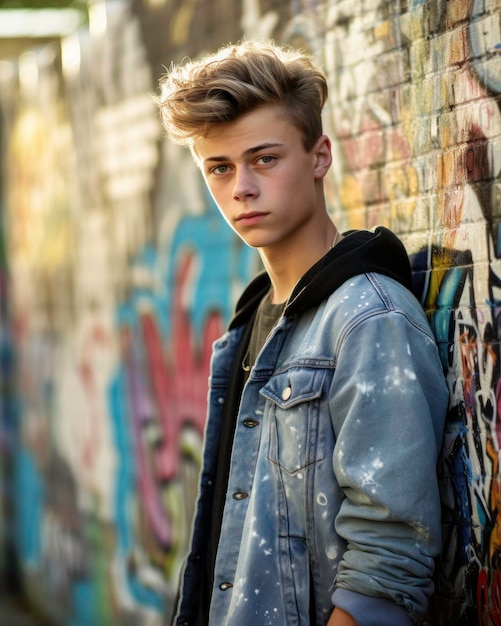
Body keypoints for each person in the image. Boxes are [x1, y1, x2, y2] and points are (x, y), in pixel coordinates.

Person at [156, 39, 449, 626]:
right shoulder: (252, 324)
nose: (241, 188)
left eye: (264, 159)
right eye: (220, 168)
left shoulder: (368, 319)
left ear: (319, 156)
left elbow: (388, 563)